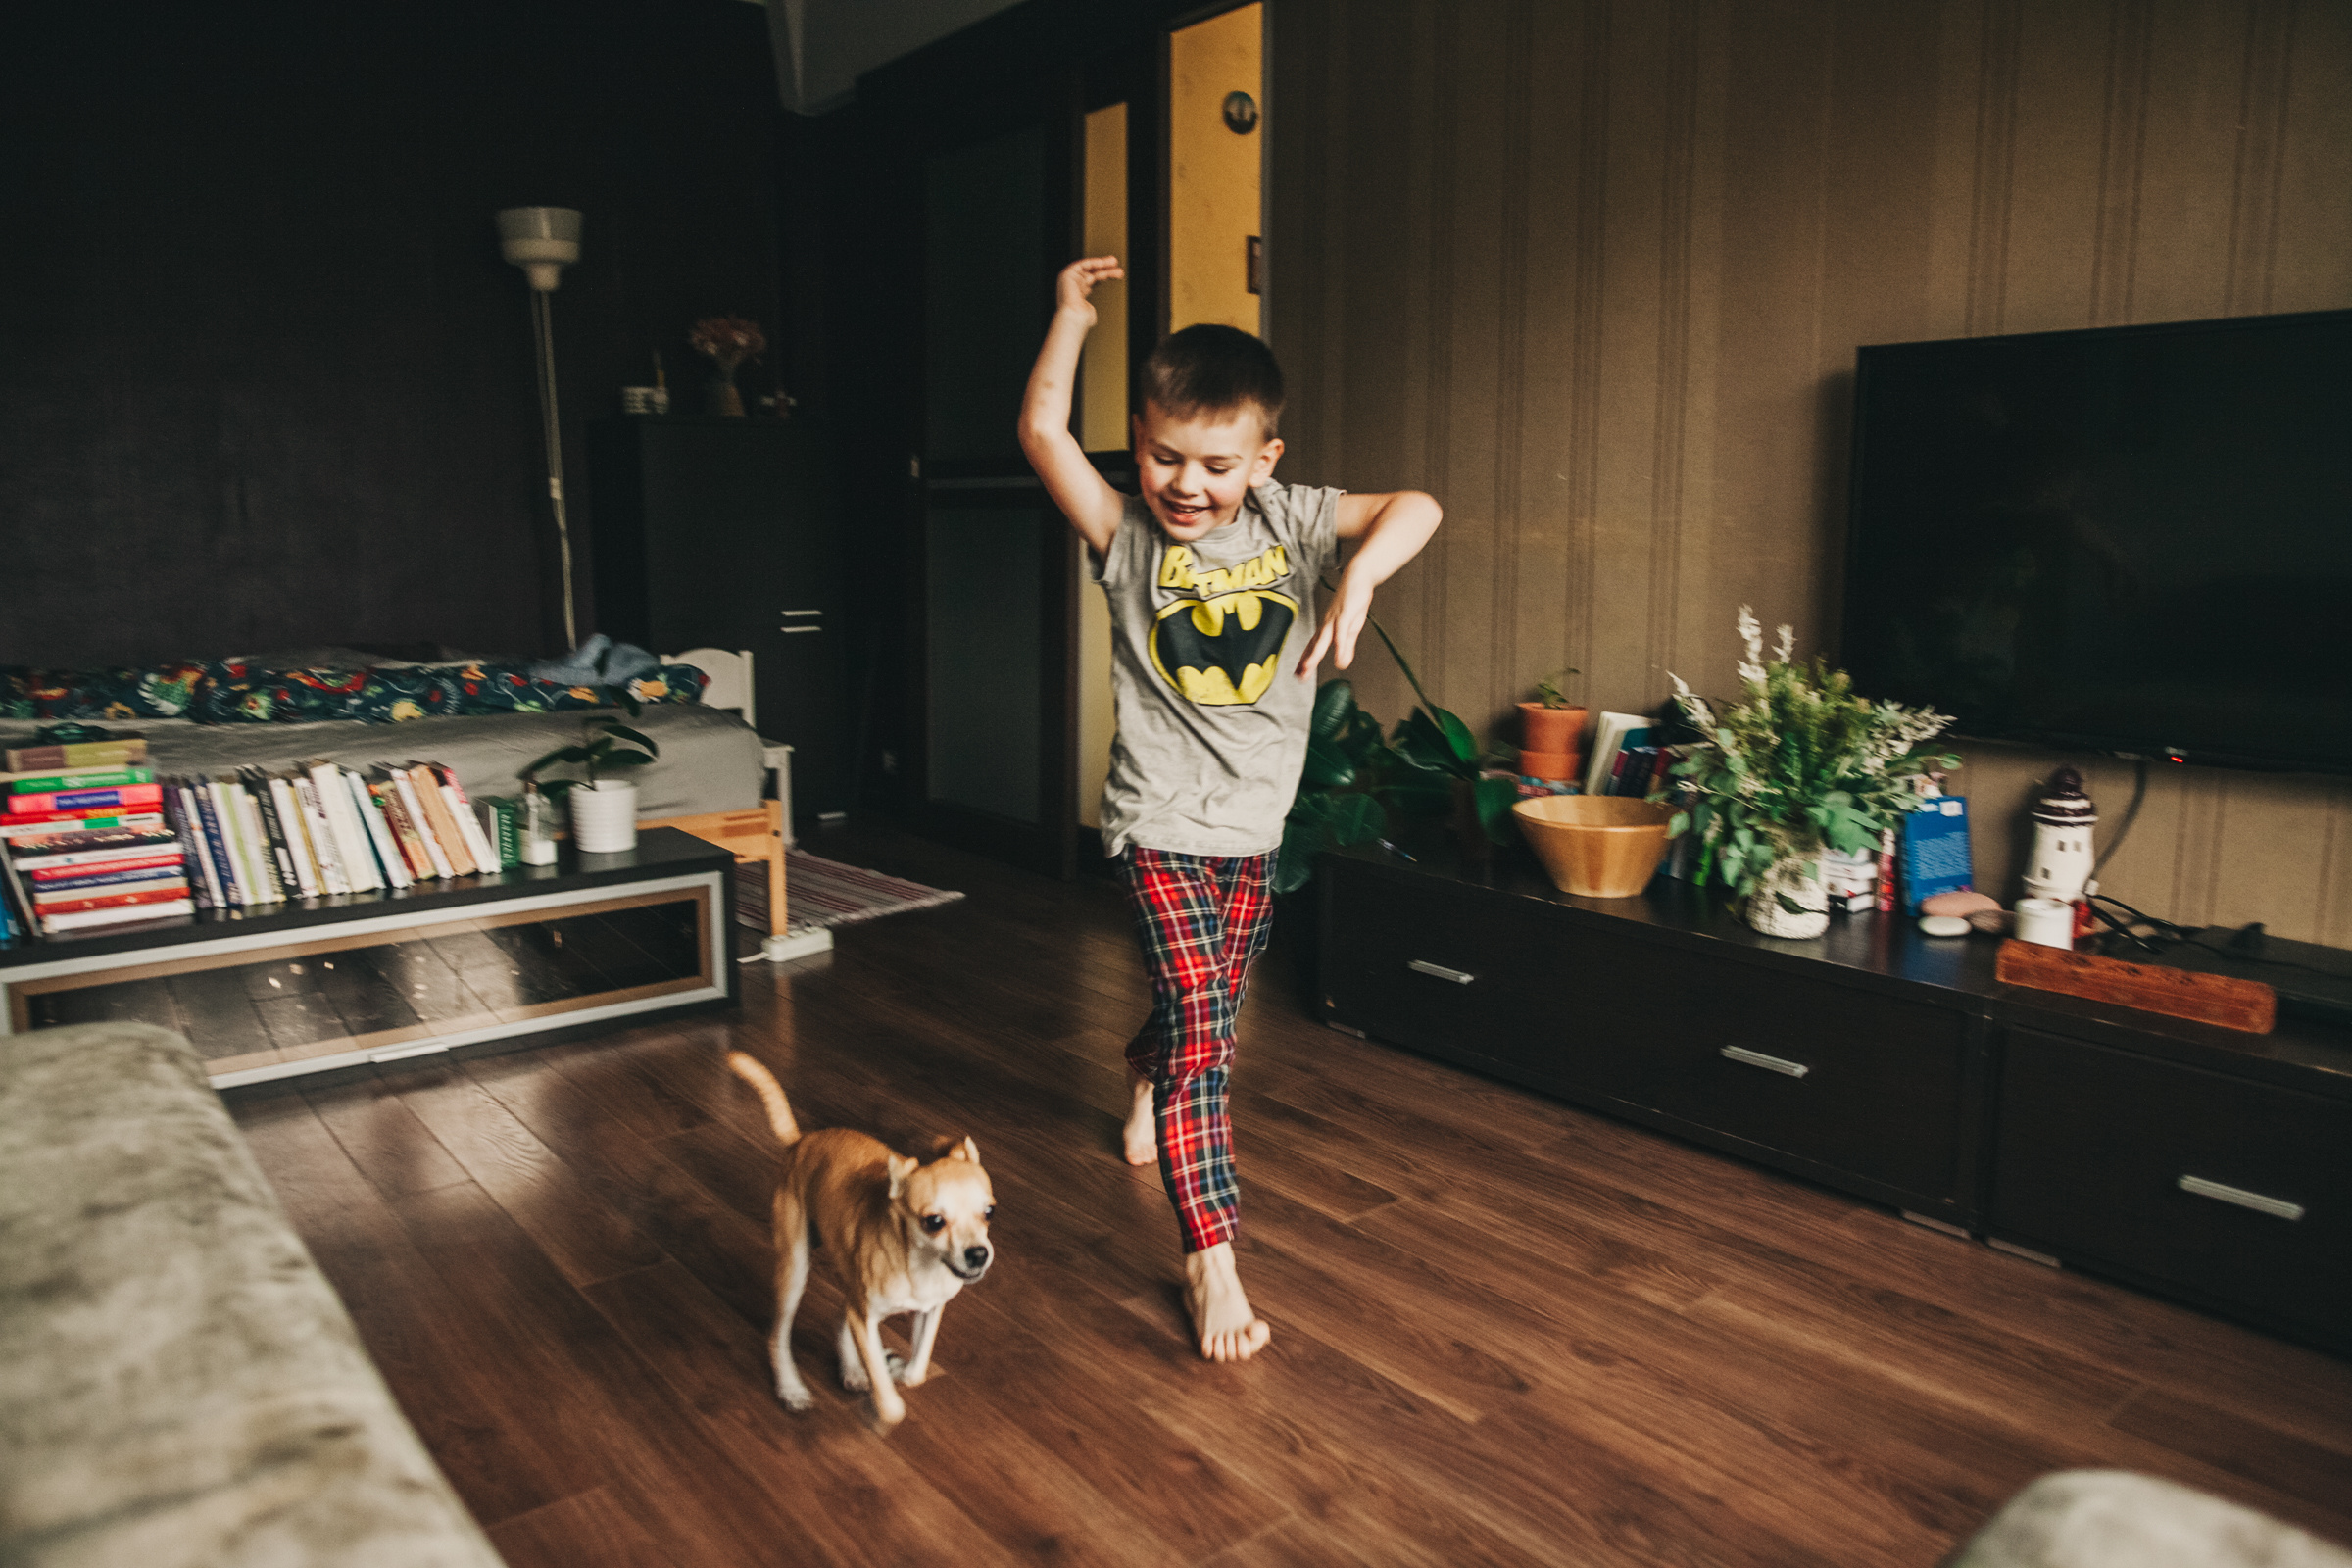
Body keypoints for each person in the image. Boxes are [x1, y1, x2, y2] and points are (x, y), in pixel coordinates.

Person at [1016, 256, 1443, 1362]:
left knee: (1197, 1012)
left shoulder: (1296, 524)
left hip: (1255, 827)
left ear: (1265, 459)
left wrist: (1359, 577)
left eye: (1216, 462)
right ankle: (1213, 1256)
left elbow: (1418, 504)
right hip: (1157, 820)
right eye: (1163, 455)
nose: (1187, 483)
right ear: (1140, 442)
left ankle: (1141, 1069)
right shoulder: (1125, 540)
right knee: (1211, 1036)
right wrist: (1071, 320)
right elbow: (1045, 439)